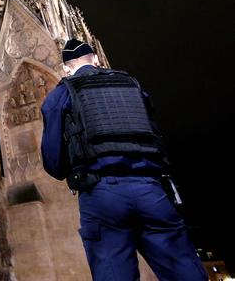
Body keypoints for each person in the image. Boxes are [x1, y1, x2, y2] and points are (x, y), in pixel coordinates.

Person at [40, 39, 207, 281]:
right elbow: (152, 130)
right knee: (184, 271)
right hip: (152, 190)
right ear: (97, 59)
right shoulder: (131, 83)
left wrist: (77, 164)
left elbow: (53, 162)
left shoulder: (62, 93)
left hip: (101, 193)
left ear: (66, 67)